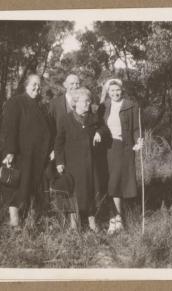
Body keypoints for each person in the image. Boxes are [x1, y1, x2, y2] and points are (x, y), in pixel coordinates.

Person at [1, 74, 53, 227]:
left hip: (38, 155)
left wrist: (50, 149)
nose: (37, 88)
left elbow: (47, 129)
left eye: (39, 85)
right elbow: (10, 128)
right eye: (34, 84)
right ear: (26, 85)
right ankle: (14, 221)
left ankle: (32, 219)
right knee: (17, 185)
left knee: (33, 185)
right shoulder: (16, 102)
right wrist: (10, 151)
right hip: (21, 154)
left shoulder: (41, 105)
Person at [54, 87, 106, 232]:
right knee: (74, 192)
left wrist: (99, 132)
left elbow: (104, 128)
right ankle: (74, 223)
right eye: (84, 101)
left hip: (90, 163)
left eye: (89, 101)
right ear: (75, 102)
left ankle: (92, 221)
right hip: (73, 163)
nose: (87, 104)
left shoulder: (94, 118)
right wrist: (59, 162)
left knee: (92, 190)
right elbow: (59, 143)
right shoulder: (66, 119)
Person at [99, 78, 144, 234]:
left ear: (122, 90)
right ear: (108, 92)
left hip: (123, 148)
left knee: (116, 183)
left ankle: (116, 219)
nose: (115, 93)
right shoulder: (103, 106)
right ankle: (116, 219)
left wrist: (139, 140)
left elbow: (136, 128)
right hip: (106, 149)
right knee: (111, 184)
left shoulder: (130, 105)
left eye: (117, 90)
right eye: (111, 91)